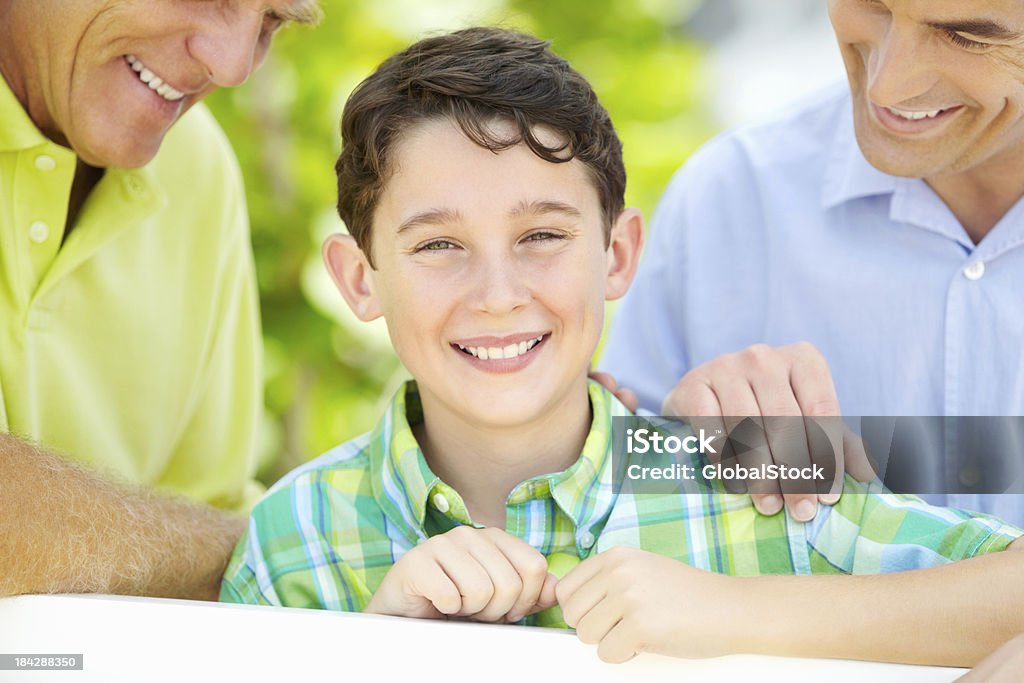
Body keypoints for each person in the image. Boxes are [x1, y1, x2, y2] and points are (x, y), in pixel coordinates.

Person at [222, 27, 1024, 667]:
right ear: (359, 279)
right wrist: (365, 653)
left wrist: (740, 612)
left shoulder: (760, 487)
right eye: (438, 245)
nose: (497, 293)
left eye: (541, 234)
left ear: (619, 254)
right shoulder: (296, 541)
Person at [600, 0, 1024, 525]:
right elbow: (608, 501)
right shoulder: (735, 192)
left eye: (968, 36)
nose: (885, 86)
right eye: (872, 5)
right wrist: (678, 447)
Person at [0, 0, 321, 600]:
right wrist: (235, 545)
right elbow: (239, 556)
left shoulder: (195, 168)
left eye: (272, 21)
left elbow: (229, 587)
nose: (231, 67)